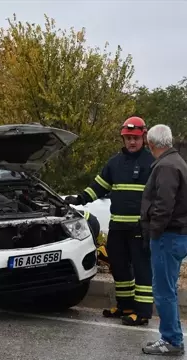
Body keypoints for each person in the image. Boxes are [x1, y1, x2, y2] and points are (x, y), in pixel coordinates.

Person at [65, 117, 155, 326]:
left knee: (142, 270)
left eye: (135, 138)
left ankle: (142, 313)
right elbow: (98, 186)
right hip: (117, 227)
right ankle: (125, 307)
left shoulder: (151, 163)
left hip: (140, 228)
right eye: (128, 138)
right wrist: (79, 199)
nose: (132, 142)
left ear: (143, 137)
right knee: (120, 268)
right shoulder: (114, 163)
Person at [140, 124, 187, 356]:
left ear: (150, 144)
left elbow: (164, 205)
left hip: (168, 236)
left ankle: (171, 340)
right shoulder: (177, 162)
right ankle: (174, 336)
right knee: (169, 290)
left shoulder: (165, 167)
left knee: (163, 291)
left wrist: (154, 232)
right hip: (178, 235)